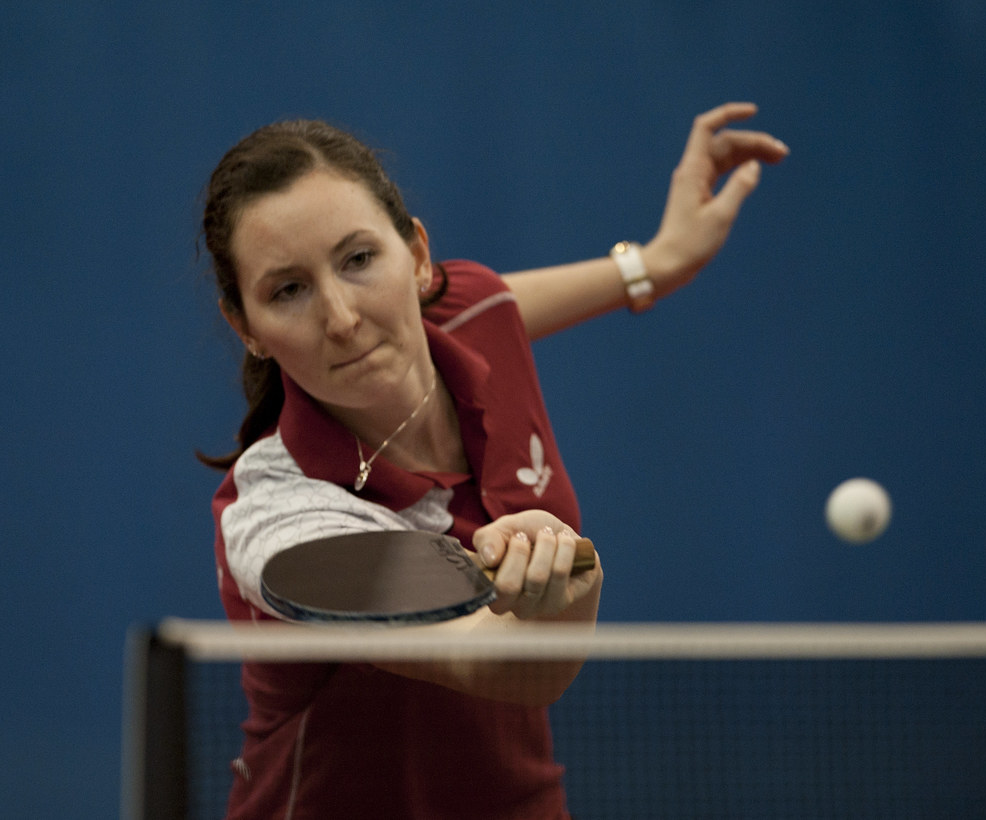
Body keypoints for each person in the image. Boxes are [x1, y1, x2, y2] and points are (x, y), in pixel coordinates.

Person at [200, 101, 787, 819]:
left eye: (359, 260)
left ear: (418, 258)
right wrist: (575, 571)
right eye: (287, 291)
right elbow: (503, 664)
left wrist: (656, 265)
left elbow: (499, 305)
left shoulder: (470, 311)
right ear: (246, 327)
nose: (344, 319)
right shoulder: (279, 516)